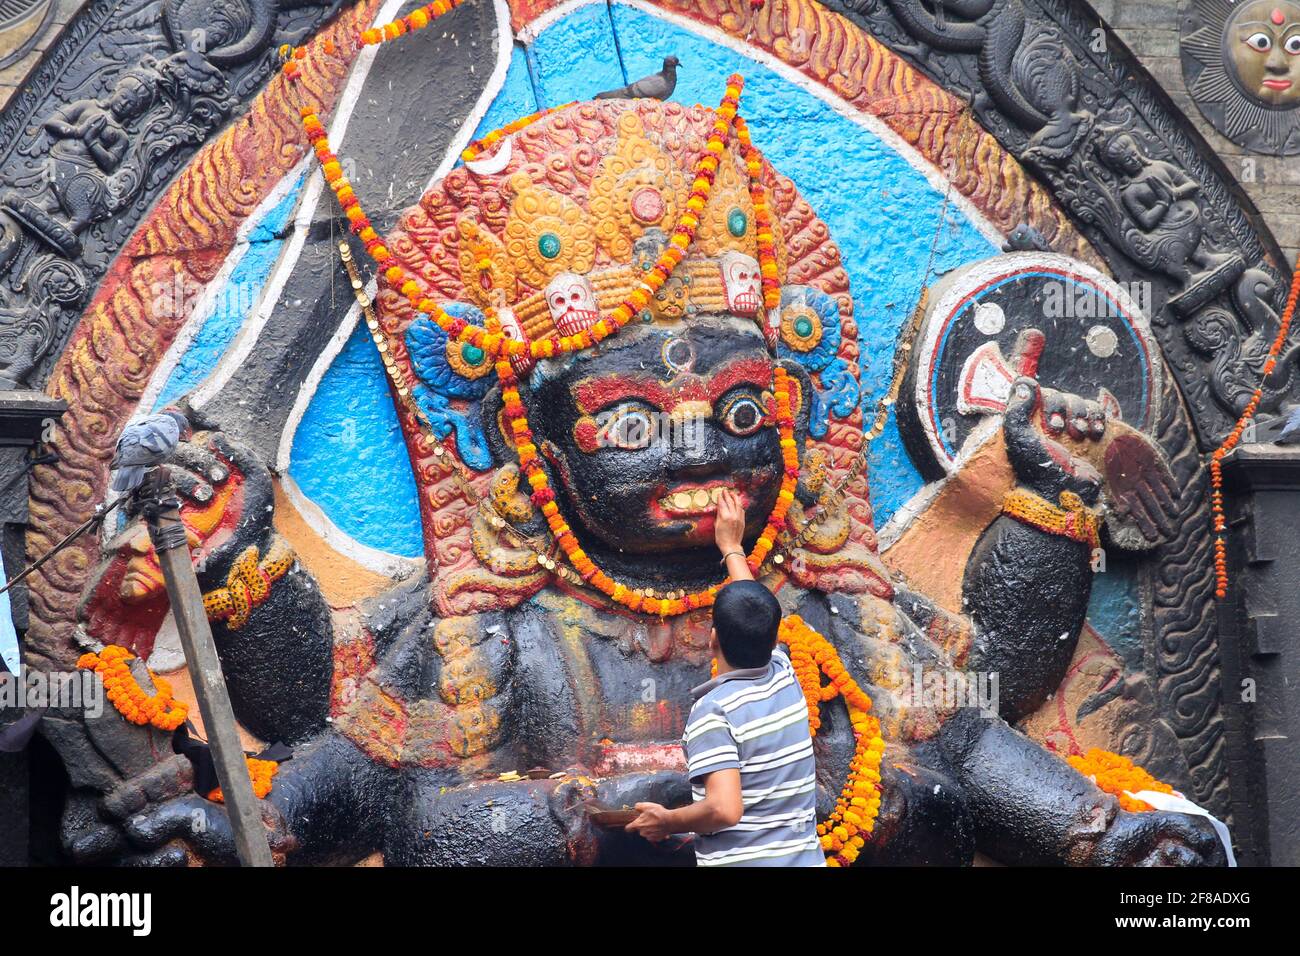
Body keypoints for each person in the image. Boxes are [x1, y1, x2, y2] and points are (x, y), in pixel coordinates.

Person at [625, 489, 825, 866]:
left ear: (712, 638)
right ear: (772, 636)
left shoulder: (714, 713)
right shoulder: (785, 672)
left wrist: (668, 821)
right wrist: (732, 547)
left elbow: (725, 809)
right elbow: (756, 609)